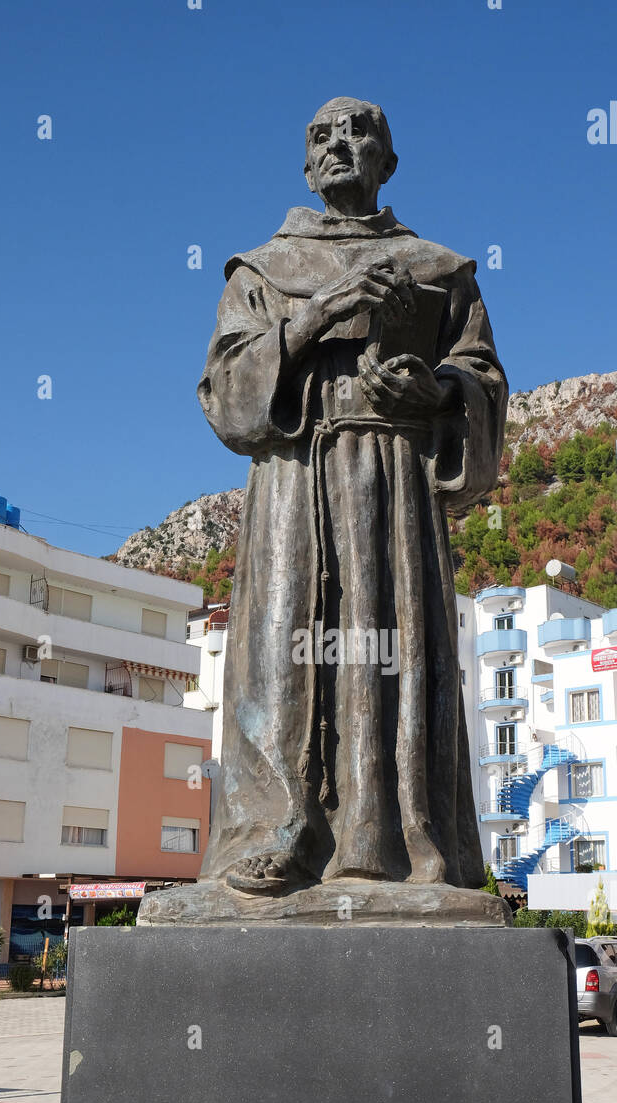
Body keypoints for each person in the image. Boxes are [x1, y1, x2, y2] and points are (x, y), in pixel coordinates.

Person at [198, 97, 508, 895]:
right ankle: (274, 836)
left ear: (388, 162)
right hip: (294, 483)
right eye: (321, 135)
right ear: (306, 163)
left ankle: (400, 842)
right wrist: (314, 320)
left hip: (395, 487)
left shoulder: (440, 268)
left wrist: (437, 393)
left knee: (392, 653)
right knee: (278, 655)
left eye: (358, 131)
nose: (339, 144)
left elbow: (484, 384)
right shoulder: (260, 269)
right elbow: (227, 398)